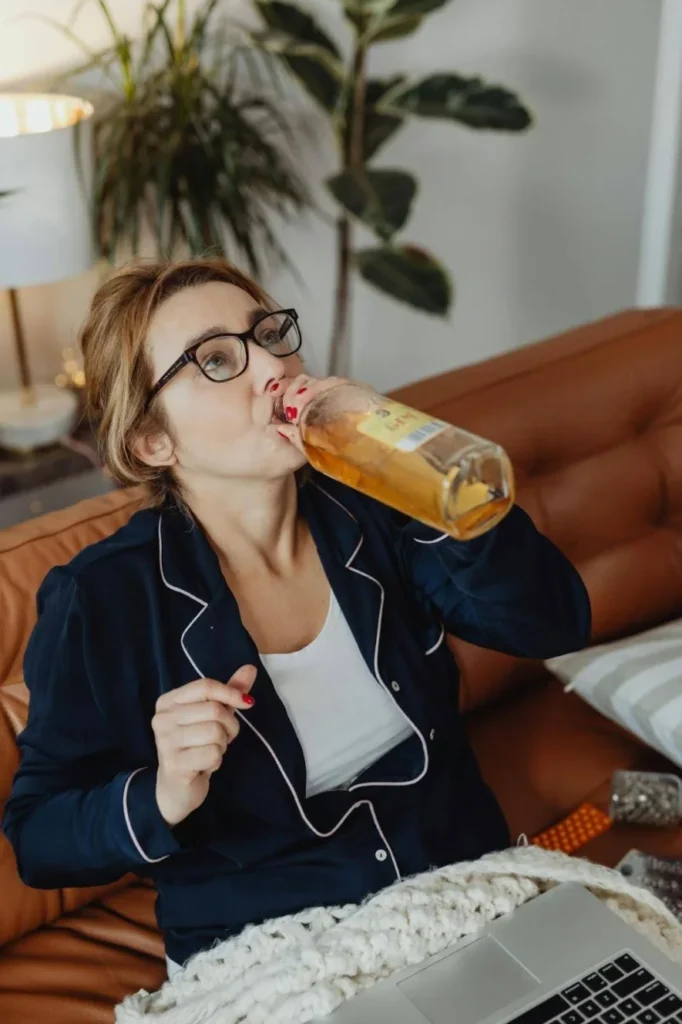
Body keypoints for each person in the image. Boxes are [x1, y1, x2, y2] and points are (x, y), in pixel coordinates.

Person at [3, 258, 591, 976]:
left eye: (271, 335)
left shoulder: (376, 504)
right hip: (275, 954)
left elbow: (552, 623)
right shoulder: (100, 599)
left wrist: (421, 465)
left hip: (458, 893)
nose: (272, 369)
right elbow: (38, 839)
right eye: (217, 360)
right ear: (153, 442)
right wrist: (162, 790)